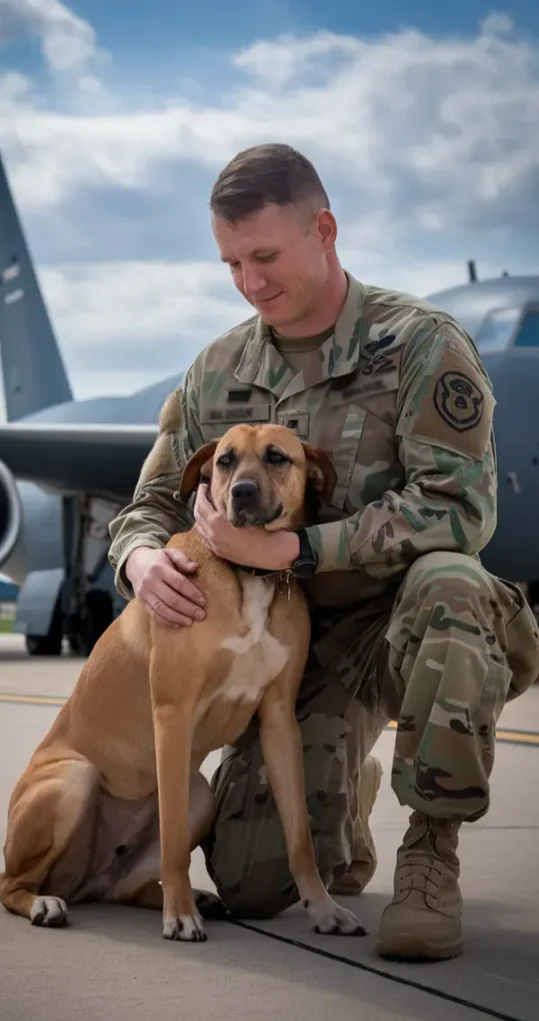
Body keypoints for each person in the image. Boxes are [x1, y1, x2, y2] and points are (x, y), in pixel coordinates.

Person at [107, 143, 539, 961]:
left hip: (397, 628)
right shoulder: (217, 369)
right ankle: (344, 794)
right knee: (249, 886)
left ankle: (429, 856)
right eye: (231, 262)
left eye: (265, 256)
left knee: (450, 582)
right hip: (291, 659)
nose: (249, 281)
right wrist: (138, 559)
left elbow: (457, 509)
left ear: (324, 230)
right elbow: (152, 502)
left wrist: (294, 551)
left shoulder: (419, 345)